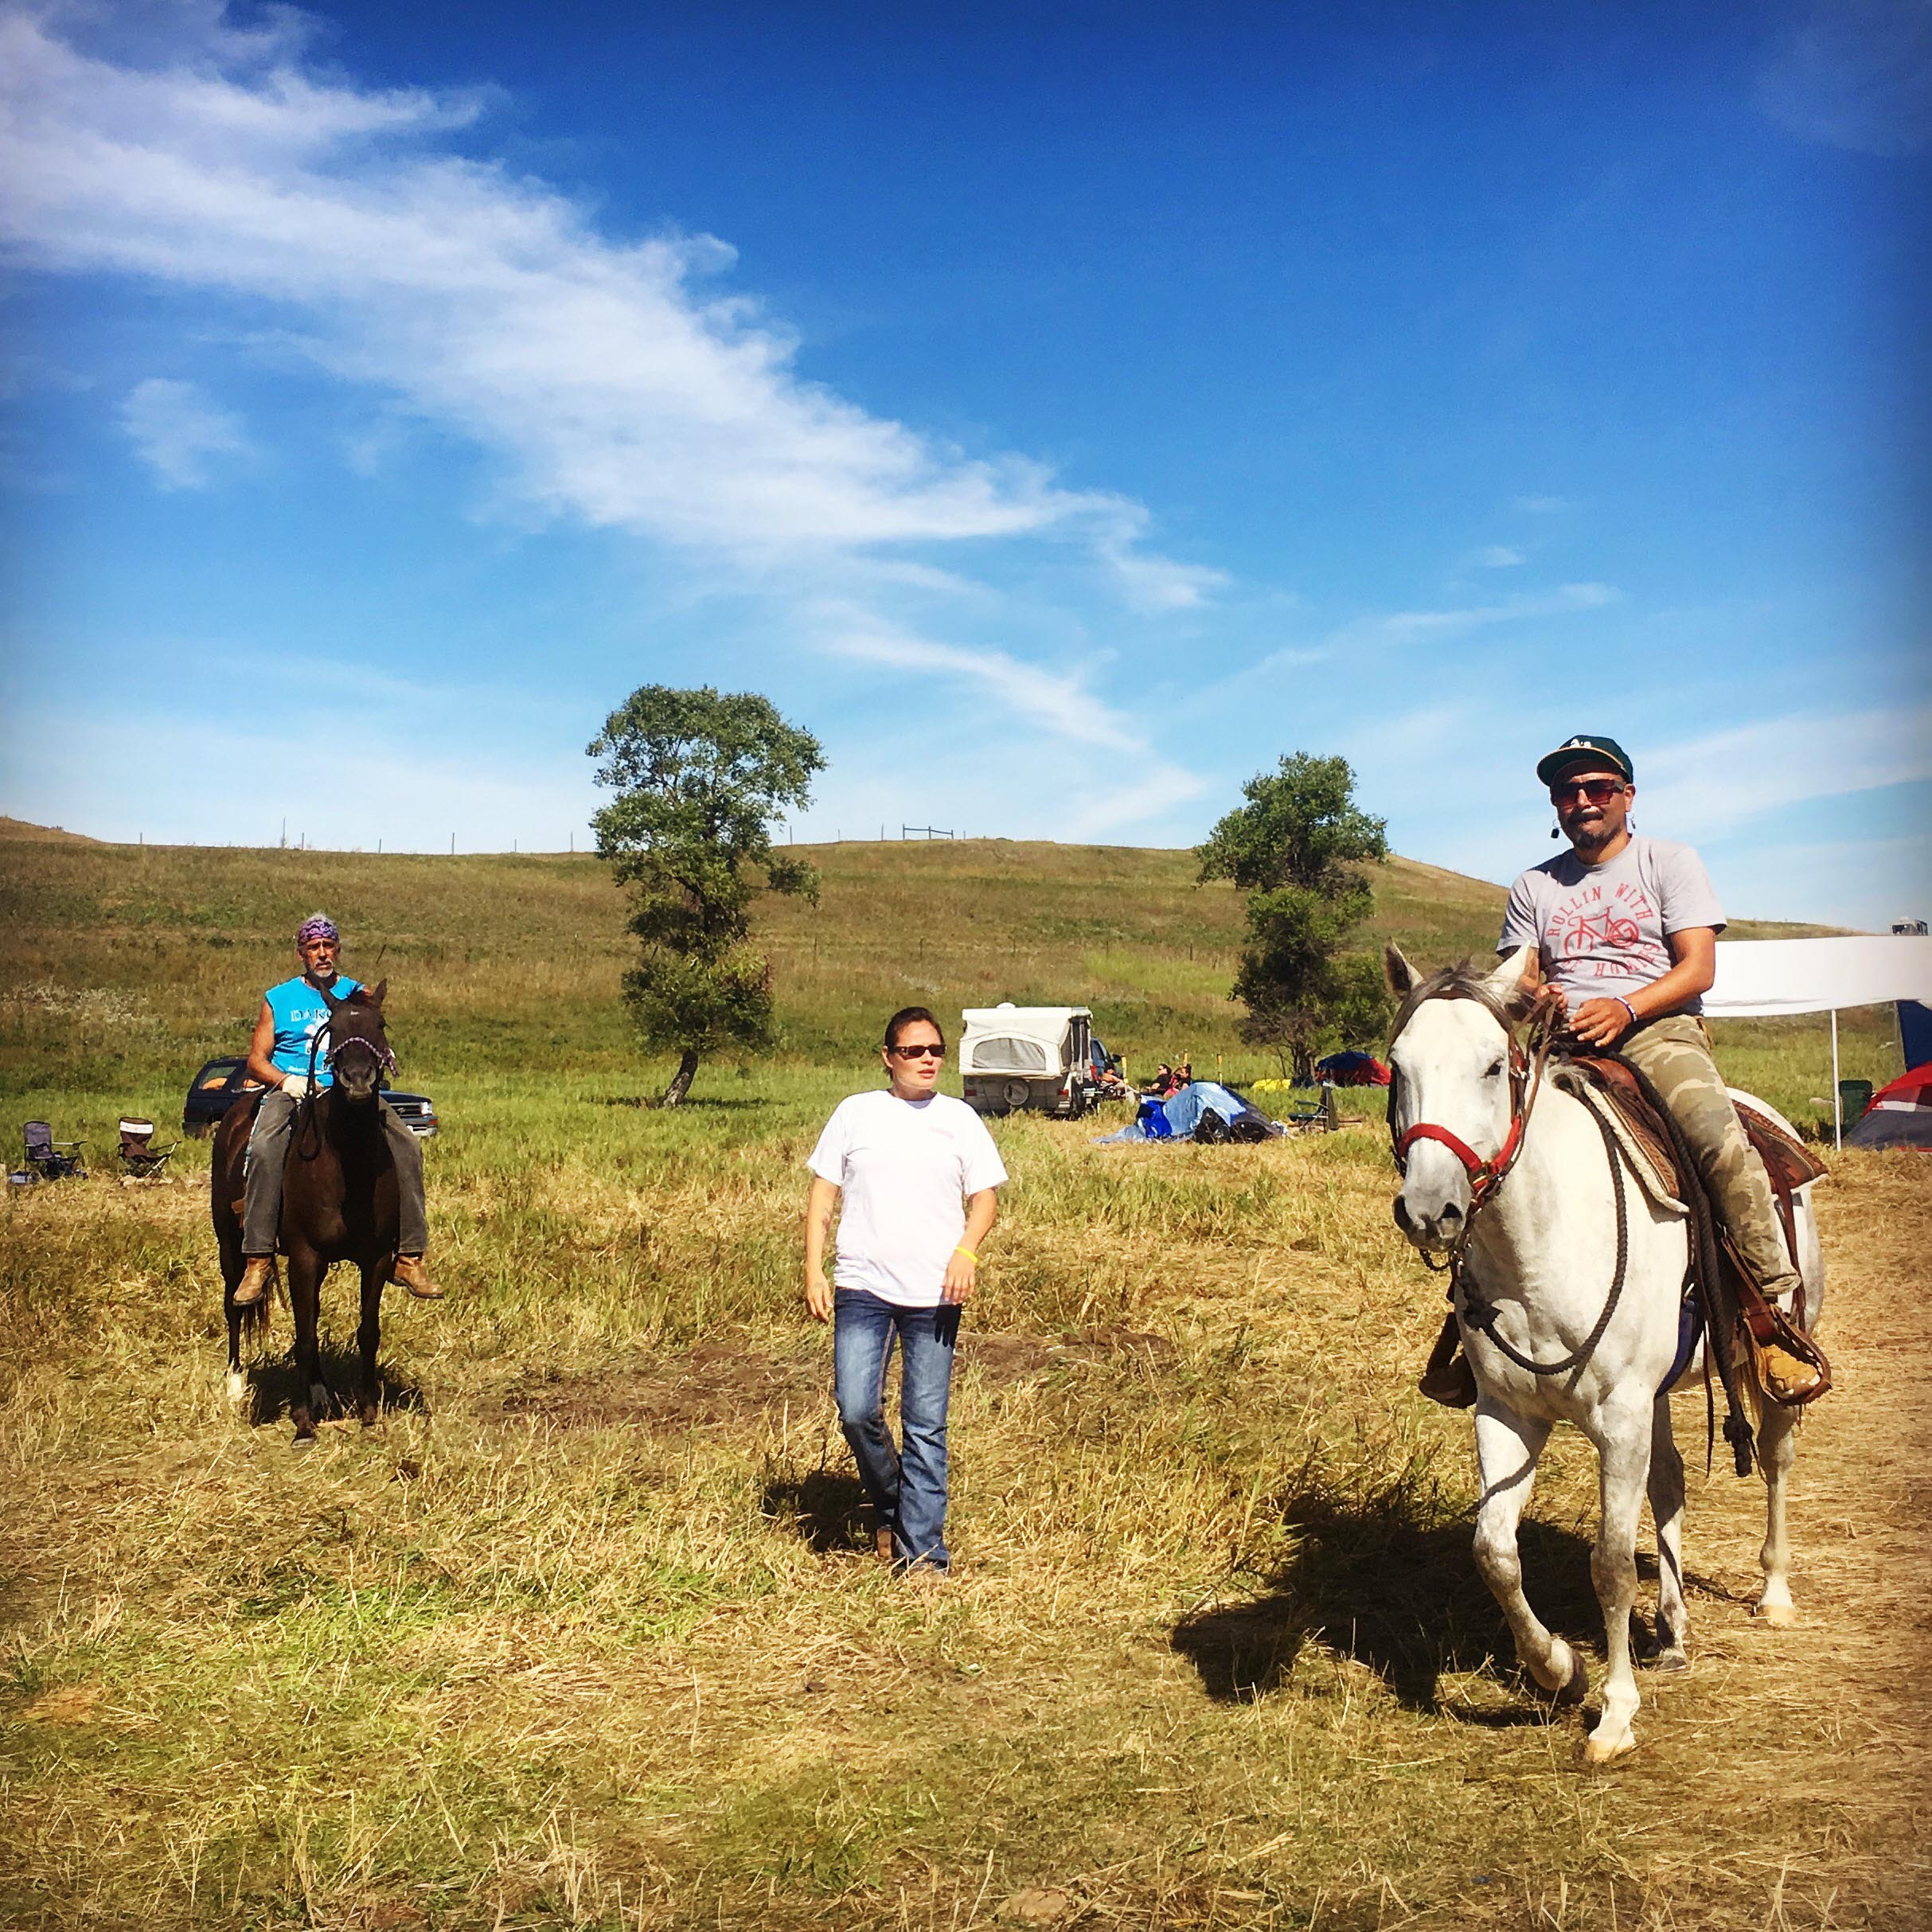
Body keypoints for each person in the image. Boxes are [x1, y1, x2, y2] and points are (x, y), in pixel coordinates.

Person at [1420, 733, 1806, 1407]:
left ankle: (1767, 1313)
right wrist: (1536, 996)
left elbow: (1697, 966)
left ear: (1627, 795)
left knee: (1716, 1139)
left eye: (1597, 787)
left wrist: (1623, 1007)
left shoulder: (1669, 862)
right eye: (1567, 791)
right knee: (1488, 1147)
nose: (1582, 800)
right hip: (1565, 1041)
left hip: (1658, 1029)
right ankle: (1471, 1326)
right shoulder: (1533, 885)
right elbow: (1522, 978)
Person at [804, 1007, 1006, 1575]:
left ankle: (923, 1553)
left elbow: (985, 1198)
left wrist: (966, 1251)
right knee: (856, 1408)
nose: (927, 1060)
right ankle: (891, 1502)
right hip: (863, 1286)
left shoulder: (960, 1118)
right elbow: (823, 1195)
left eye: (935, 1050)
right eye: (914, 1051)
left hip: (935, 1292)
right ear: (888, 1057)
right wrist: (813, 1270)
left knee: (924, 1421)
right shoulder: (855, 1114)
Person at [232, 915, 440, 1307]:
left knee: (407, 1144)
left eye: (329, 946)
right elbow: (255, 1062)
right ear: (301, 954)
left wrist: (381, 1052)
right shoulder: (278, 998)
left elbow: (375, 1032)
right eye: (314, 947)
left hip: (346, 1091)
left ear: (338, 951)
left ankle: (410, 1256)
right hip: (293, 1089)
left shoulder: (356, 993)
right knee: (262, 1147)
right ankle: (258, 1257)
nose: (322, 953)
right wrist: (285, 1081)